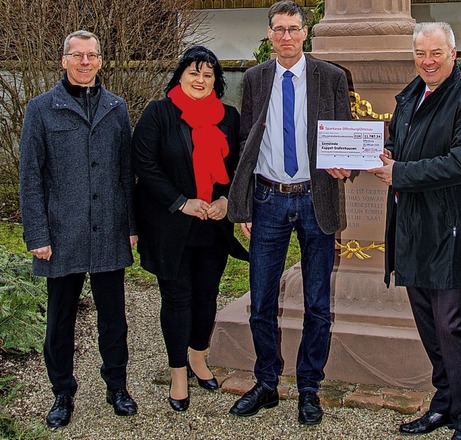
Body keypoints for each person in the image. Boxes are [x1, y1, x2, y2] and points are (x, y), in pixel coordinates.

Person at [369, 22, 461, 440]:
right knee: (428, 325)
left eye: (436, 53)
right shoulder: (409, 97)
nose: (427, 61)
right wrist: (389, 155)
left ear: (453, 54)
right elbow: (408, 151)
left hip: (452, 231)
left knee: (451, 327)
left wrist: (400, 171)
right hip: (413, 228)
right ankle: (444, 403)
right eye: (421, 54)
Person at [226, 0, 351, 426]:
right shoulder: (255, 78)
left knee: (317, 302)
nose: (285, 36)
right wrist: (241, 202)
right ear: (269, 34)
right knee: (261, 300)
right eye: (277, 29)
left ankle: (309, 388)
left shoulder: (331, 77)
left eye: (292, 28)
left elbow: (343, 135)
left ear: (305, 32)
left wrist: (345, 163)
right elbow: (246, 140)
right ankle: (265, 383)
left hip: (315, 198)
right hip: (268, 200)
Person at [19, 30, 138, 428]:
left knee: (114, 318)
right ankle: (62, 393)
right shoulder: (41, 109)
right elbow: (30, 177)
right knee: (60, 319)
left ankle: (117, 386)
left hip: (108, 230)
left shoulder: (116, 108)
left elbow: (127, 174)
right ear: (64, 59)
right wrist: (37, 234)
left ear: (101, 60)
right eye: (78, 55)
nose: (86, 62)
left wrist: (131, 226)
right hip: (61, 233)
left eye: (92, 56)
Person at [132, 46, 248, 412]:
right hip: (171, 225)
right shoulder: (159, 113)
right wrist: (182, 201)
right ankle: (178, 372)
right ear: (180, 74)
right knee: (177, 299)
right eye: (194, 72)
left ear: (217, 81)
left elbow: (242, 164)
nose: (200, 80)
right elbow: (144, 163)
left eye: (208, 74)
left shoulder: (229, 117)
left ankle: (199, 356)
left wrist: (228, 201)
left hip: (212, 225)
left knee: (206, 296)